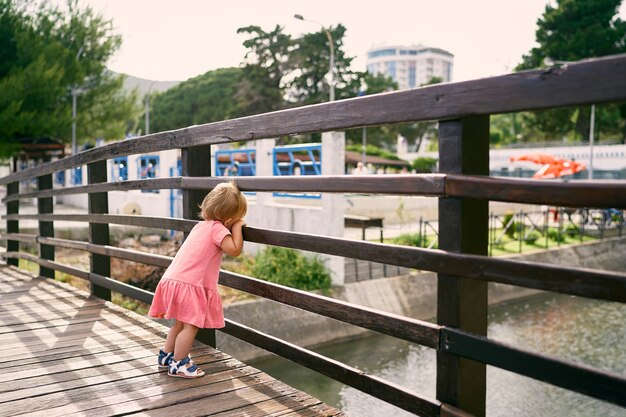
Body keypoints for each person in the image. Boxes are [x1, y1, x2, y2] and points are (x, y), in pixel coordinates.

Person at [148, 181, 247, 378]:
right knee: (190, 327)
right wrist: (238, 227)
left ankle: (166, 356)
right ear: (229, 218)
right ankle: (179, 363)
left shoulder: (201, 226)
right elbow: (235, 249)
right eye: (237, 217)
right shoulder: (218, 229)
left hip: (174, 280)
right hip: (189, 286)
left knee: (178, 324)